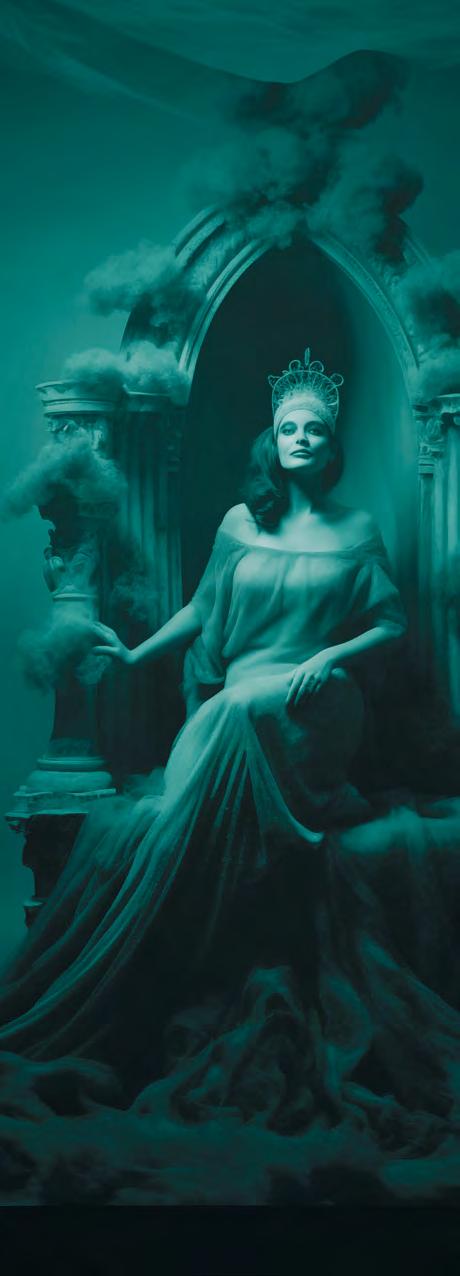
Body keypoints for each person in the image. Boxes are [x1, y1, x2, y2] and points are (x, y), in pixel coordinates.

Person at [0, 350, 459, 1207]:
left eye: (313, 430)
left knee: (241, 711)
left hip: (319, 707)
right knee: (226, 719)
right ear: (271, 440)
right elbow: (205, 610)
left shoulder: (357, 530)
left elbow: (393, 620)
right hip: (240, 707)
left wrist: (329, 657)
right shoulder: (239, 524)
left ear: (332, 448)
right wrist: (135, 654)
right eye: (287, 428)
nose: (299, 439)